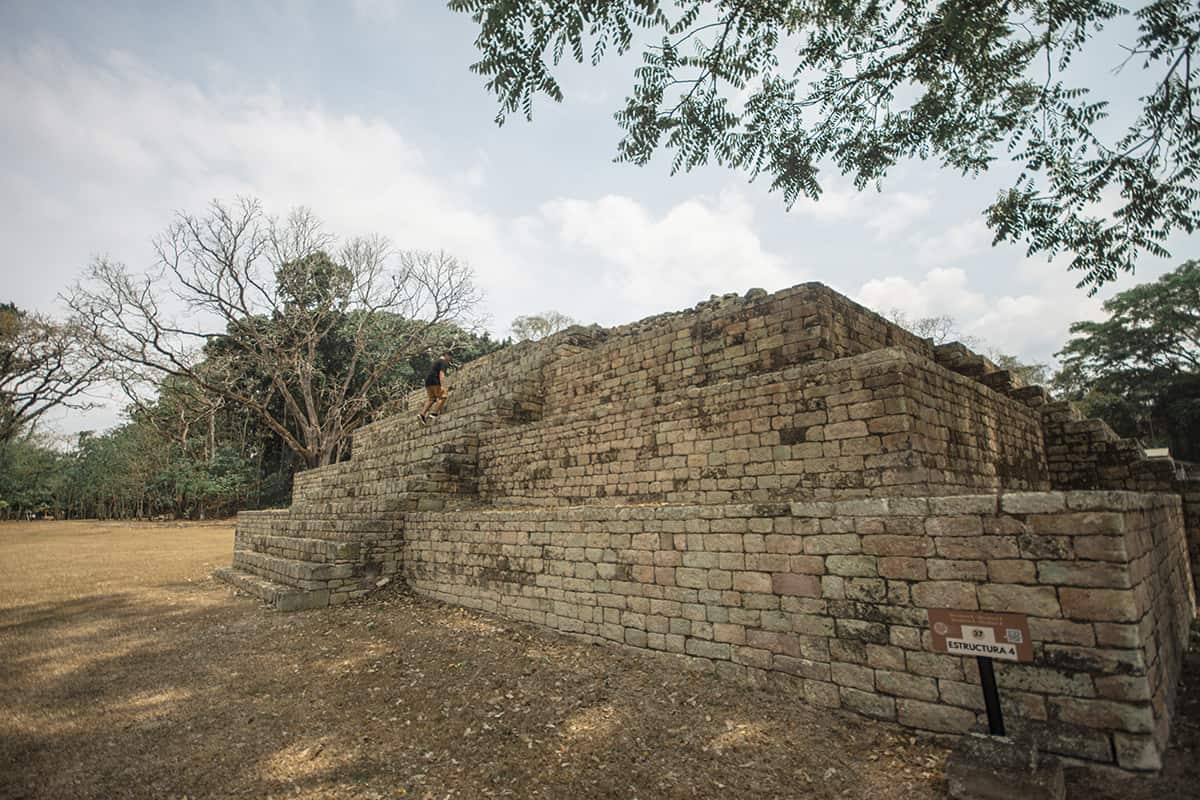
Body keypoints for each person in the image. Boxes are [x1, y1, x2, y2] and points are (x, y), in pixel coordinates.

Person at [419, 352, 453, 424]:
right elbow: (441, 374)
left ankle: (422, 414)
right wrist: (443, 386)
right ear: (446, 355)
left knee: (432, 399)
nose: (450, 359)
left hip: (428, 382)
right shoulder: (443, 362)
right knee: (443, 396)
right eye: (450, 357)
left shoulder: (436, 362)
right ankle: (434, 413)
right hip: (435, 381)